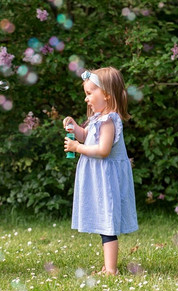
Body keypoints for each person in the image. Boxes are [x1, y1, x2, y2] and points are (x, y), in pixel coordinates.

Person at [63, 67, 138, 276]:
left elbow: (103, 150)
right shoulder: (97, 118)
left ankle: (111, 269)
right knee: (104, 223)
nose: (86, 99)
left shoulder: (109, 120)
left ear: (106, 94)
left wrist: (77, 149)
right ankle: (108, 265)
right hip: (99, 178)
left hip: (106, 179)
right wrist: (75, 127)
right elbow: (86, 136)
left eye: (89, 93)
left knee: (108, 225)